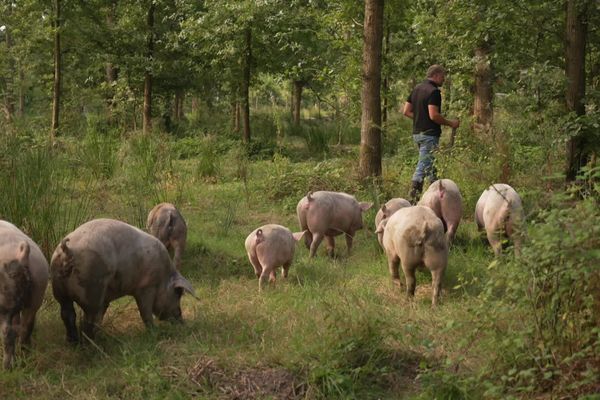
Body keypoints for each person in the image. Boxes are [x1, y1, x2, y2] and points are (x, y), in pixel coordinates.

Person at [403, 65, 460, 204]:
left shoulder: (416, 89)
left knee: (430, 168)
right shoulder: (434, 92)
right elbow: (434, 115)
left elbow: (406, 111)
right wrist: (450, 123)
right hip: (429, 134)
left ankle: (435, 201)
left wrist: (420, 119)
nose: (444, 79)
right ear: (435, 75)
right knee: (422, 167)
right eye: (442, 76)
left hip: (417, 133)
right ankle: (412, 202)